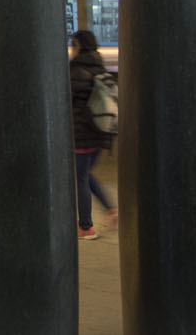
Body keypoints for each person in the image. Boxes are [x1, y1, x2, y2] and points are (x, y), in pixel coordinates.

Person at [69, 29, 117, 240]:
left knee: (80, 177)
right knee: (85, 174)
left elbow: (67, 101)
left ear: (78, 45)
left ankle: (86, 226)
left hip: (81, 132)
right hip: (99, 131)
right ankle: (110, 209)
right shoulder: (100, 67)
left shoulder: (75, 69)